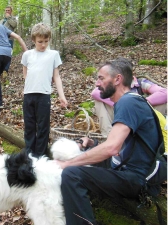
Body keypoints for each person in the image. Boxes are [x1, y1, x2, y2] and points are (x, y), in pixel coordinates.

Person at [56, 58, 162, 225]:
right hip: (124, 169)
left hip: (134, 178)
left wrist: (67, 164)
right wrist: (92, 144)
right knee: (81, 156)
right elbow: (123, 148)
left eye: (101, 78)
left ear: (118, 79)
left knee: (71, 174)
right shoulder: (128, 102)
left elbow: (112, 148)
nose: (97, 83)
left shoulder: (129, 102)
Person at [21, 23, 68, 157]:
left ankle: (40, 155)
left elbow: (56, 76)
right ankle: (29, 154)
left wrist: (61, 96)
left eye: (46, 41)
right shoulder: (27, 55)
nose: (43, 44)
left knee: (43, 127)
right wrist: (30, 85)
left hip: (44, 95)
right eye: (40, 42)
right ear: (34, 40)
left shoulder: (53, 55)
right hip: (29, 94)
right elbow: (26, 74)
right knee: (29, 125)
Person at [91, 57, 167, 136]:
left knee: (165, 102)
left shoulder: (140, 83)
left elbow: (165, 93)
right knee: (99, 102)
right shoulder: (111, 84)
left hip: (140, 114)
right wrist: (120, 103)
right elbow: (95, 93)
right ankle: (107, 135)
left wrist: (139, 102)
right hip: (120, 115)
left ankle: (158, 132)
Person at [0, 10, 27, 117]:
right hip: (7, 54)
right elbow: (18, 37)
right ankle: (0, 103)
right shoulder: (2, 27)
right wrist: (27, 52)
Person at [0, 6, 17, 75]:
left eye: (8, 10)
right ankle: (1, 69)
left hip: (9, 39)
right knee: (1, 54)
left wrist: (9, 18)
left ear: (11, 11)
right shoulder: (1, 20)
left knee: (8, 54)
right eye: (6, 10)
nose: (7, 12)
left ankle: (5, 70)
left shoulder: (13, 19)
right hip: (1, 39)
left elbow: (14, 25)